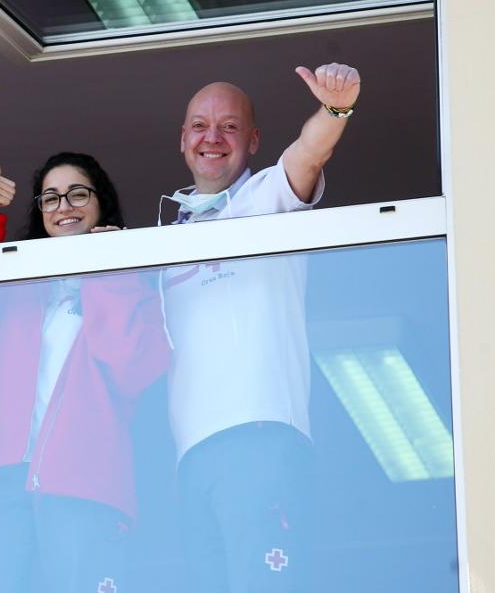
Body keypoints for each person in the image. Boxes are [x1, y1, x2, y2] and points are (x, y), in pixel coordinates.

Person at [160, 63, 361, 593]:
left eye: (229, 126)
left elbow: (309, 152)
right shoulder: (164, 236)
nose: (212, 137)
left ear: (252, 140)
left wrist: (336, 107)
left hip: (261, 436)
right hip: (190, 456)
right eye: (200, 125)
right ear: (183, 139)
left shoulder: (267, 198)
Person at [0, 152, 170, 593]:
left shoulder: (131, 283)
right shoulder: (17, 283)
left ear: (101, 204)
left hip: (85, 482)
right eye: (50, 198)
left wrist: (108, 268)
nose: (63, 207)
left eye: (77, 194)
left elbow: (131, 366)